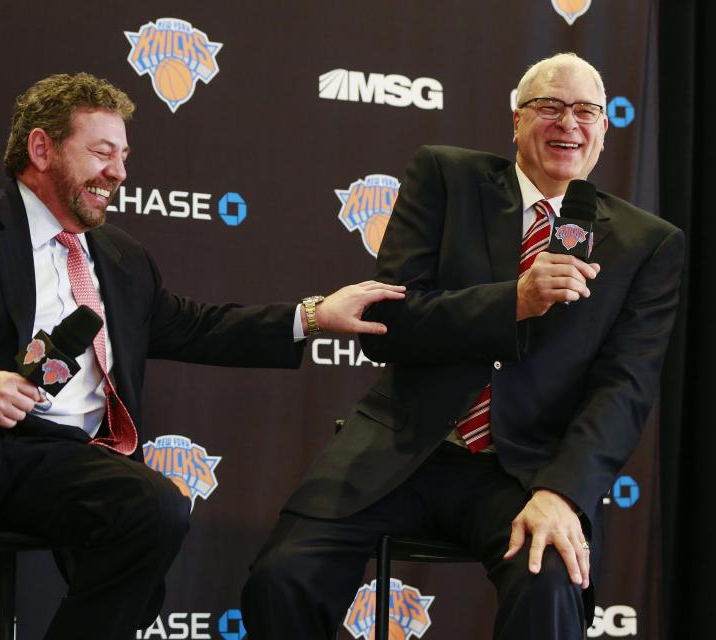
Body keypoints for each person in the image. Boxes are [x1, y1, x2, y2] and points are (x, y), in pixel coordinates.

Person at [0, 72, 405, 640]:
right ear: (41, 148)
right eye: (102, 152)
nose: (119, 172)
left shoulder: (124, 259)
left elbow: (198, 327)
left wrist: (312, 316)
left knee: (155, 506)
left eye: (124, 156)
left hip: (52, 457)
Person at [241, 53, 684, 639]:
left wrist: (562, 493)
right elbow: (390, 326)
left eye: (585, 111)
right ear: (516, 120)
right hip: (401, 448)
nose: (567, 124)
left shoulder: (646, 243)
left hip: (524, 474)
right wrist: (514, 301)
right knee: (280, 578)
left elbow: (624, 387)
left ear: (604, 128)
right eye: (548, 106)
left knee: (550, 585)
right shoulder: (447, 178)